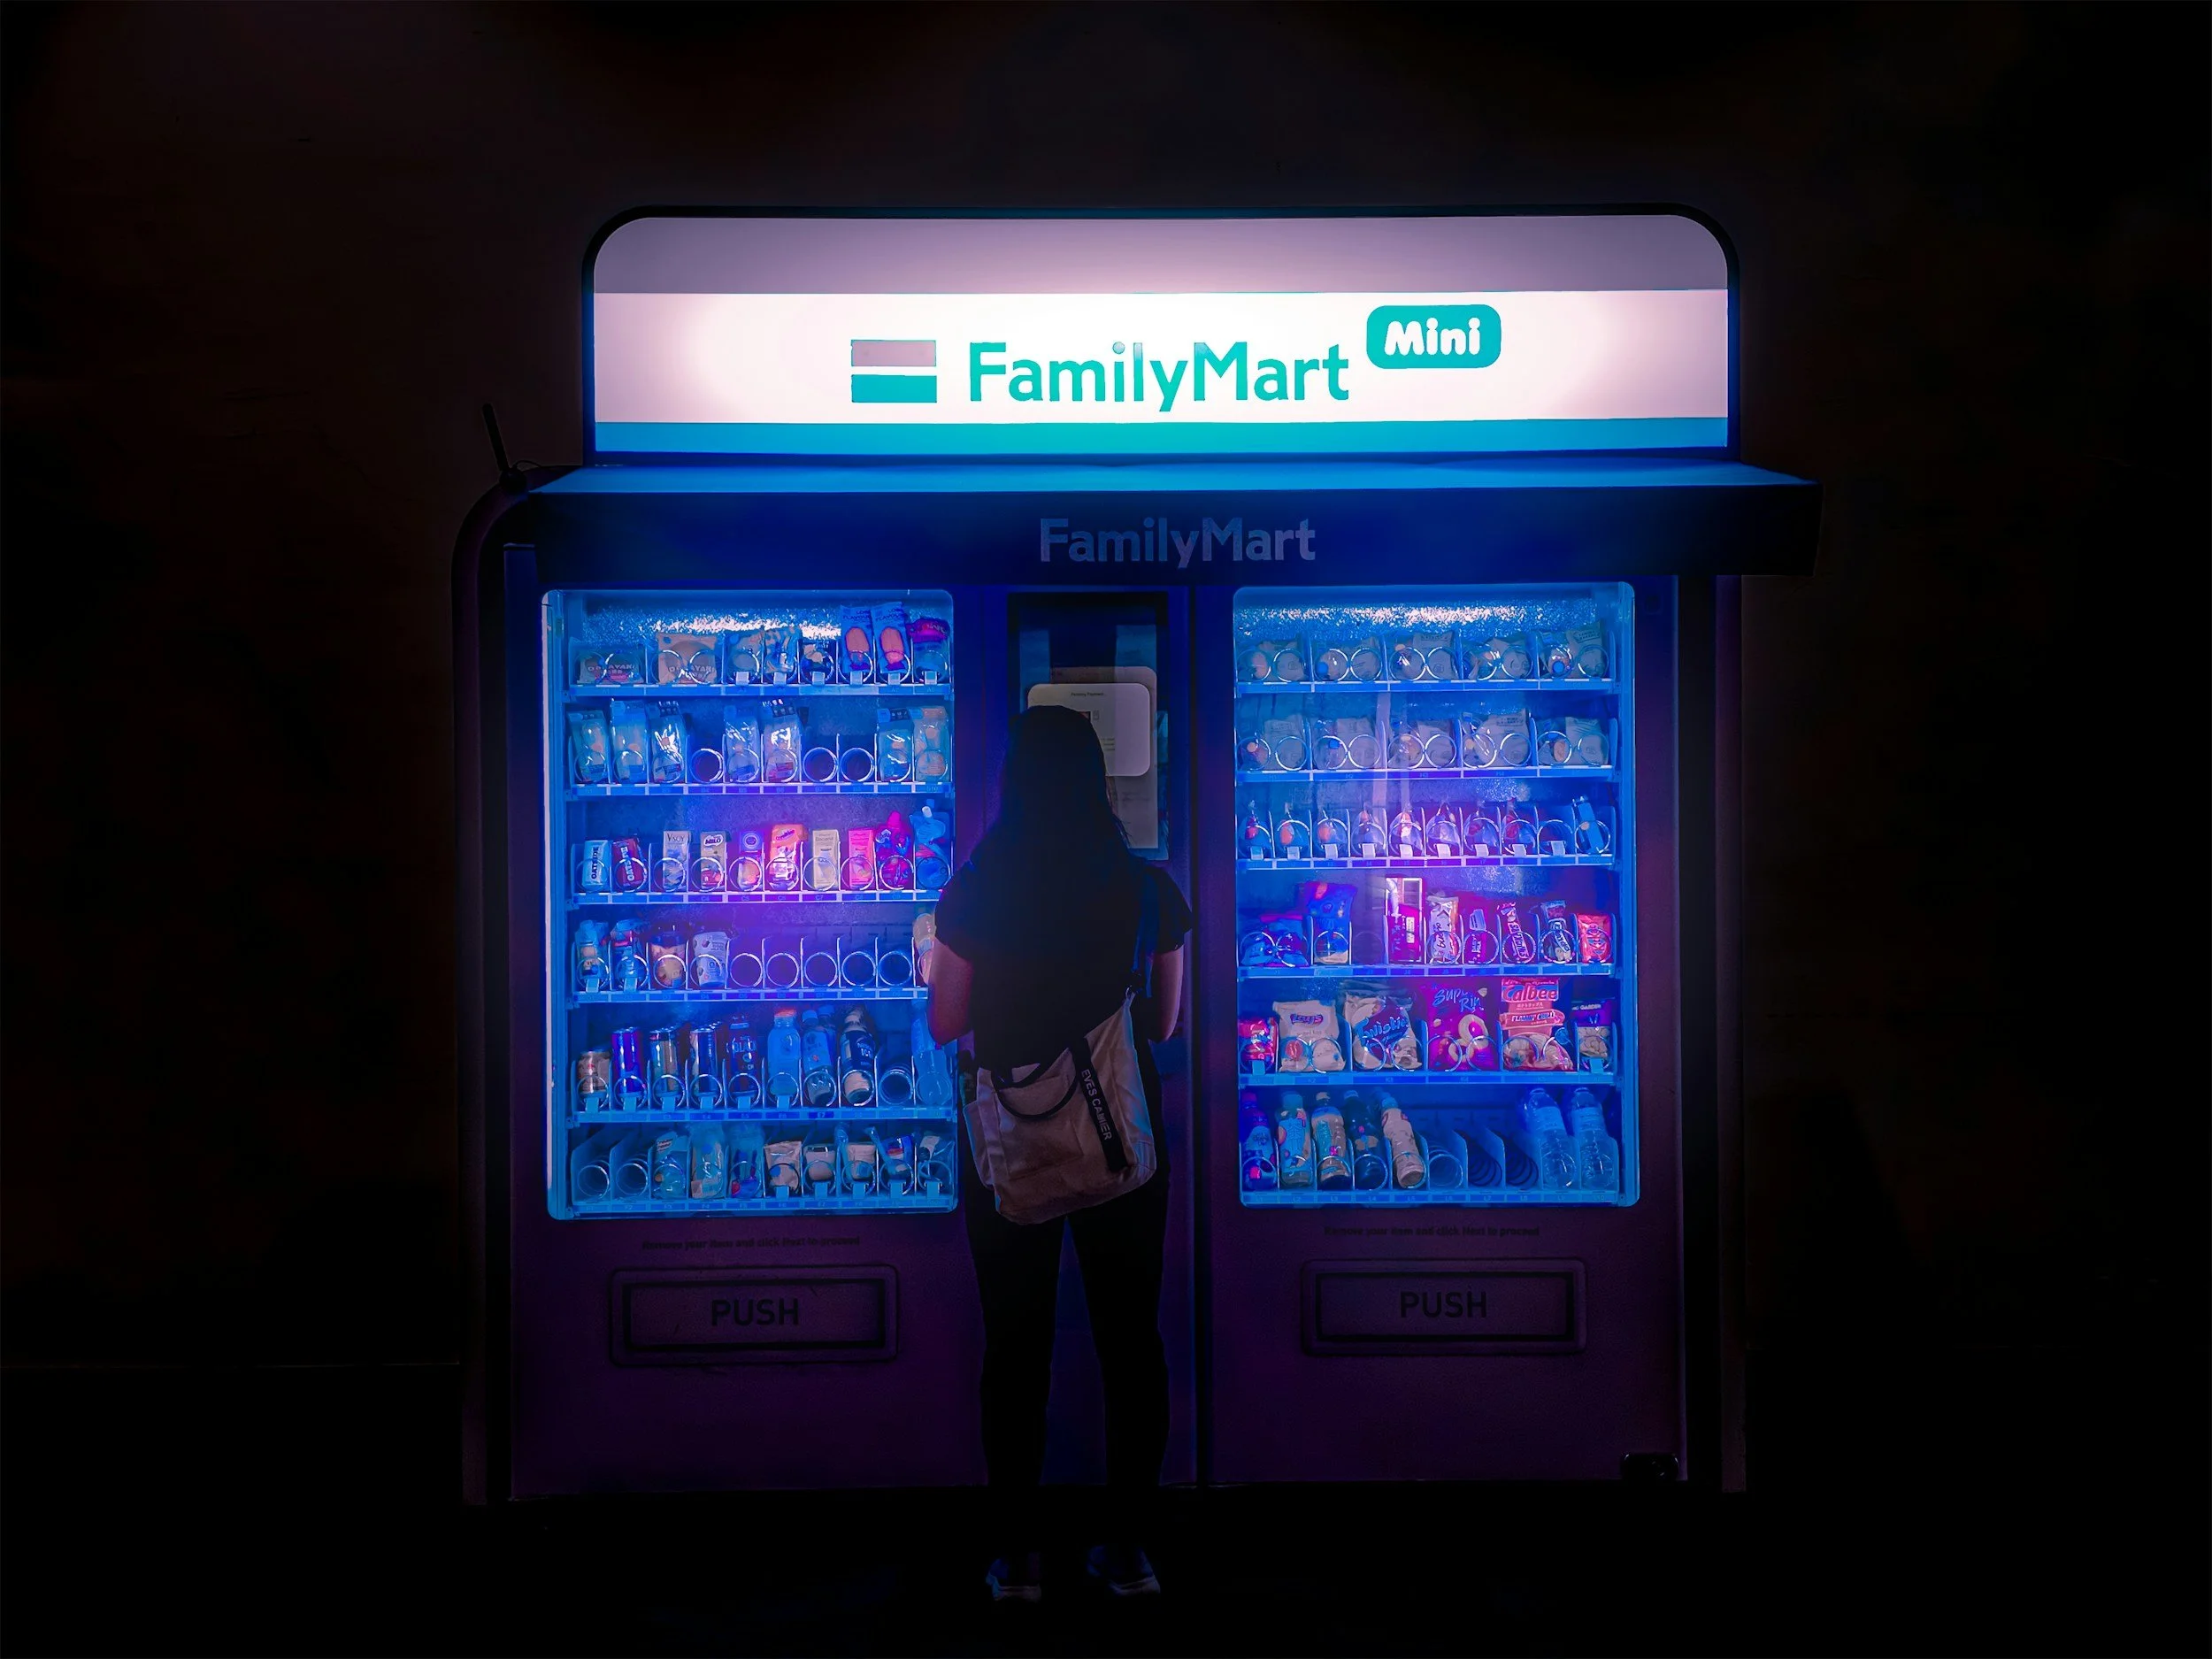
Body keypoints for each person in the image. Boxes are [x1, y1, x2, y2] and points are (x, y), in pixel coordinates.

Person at [928, 704, 1191, 1603]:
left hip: (1011, 1139)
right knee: (1131, 1345)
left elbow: (945, 1021)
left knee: (1015, 1347)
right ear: (1099, 784)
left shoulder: (978, 887)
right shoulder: (1145, 888)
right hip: (1120, 1135)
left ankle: (1019, 1558)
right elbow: (1162, 1023)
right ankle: (1130, 1554)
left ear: (1012, 785)